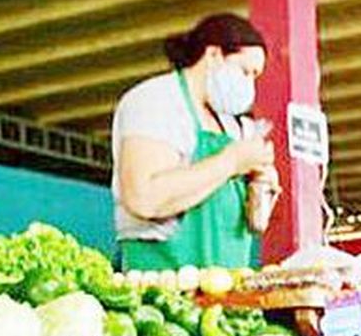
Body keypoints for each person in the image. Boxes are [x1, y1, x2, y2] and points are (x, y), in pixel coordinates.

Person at [112, 14, 277, 271]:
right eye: (245, 71)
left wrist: (261, 184)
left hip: (228, 288)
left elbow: (257, 223)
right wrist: (231, 161)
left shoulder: (233, 125)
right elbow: (142, 198)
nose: (249, 85)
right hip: (162, 285)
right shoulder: (155, 101)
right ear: (213, 55)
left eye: (255, 76)